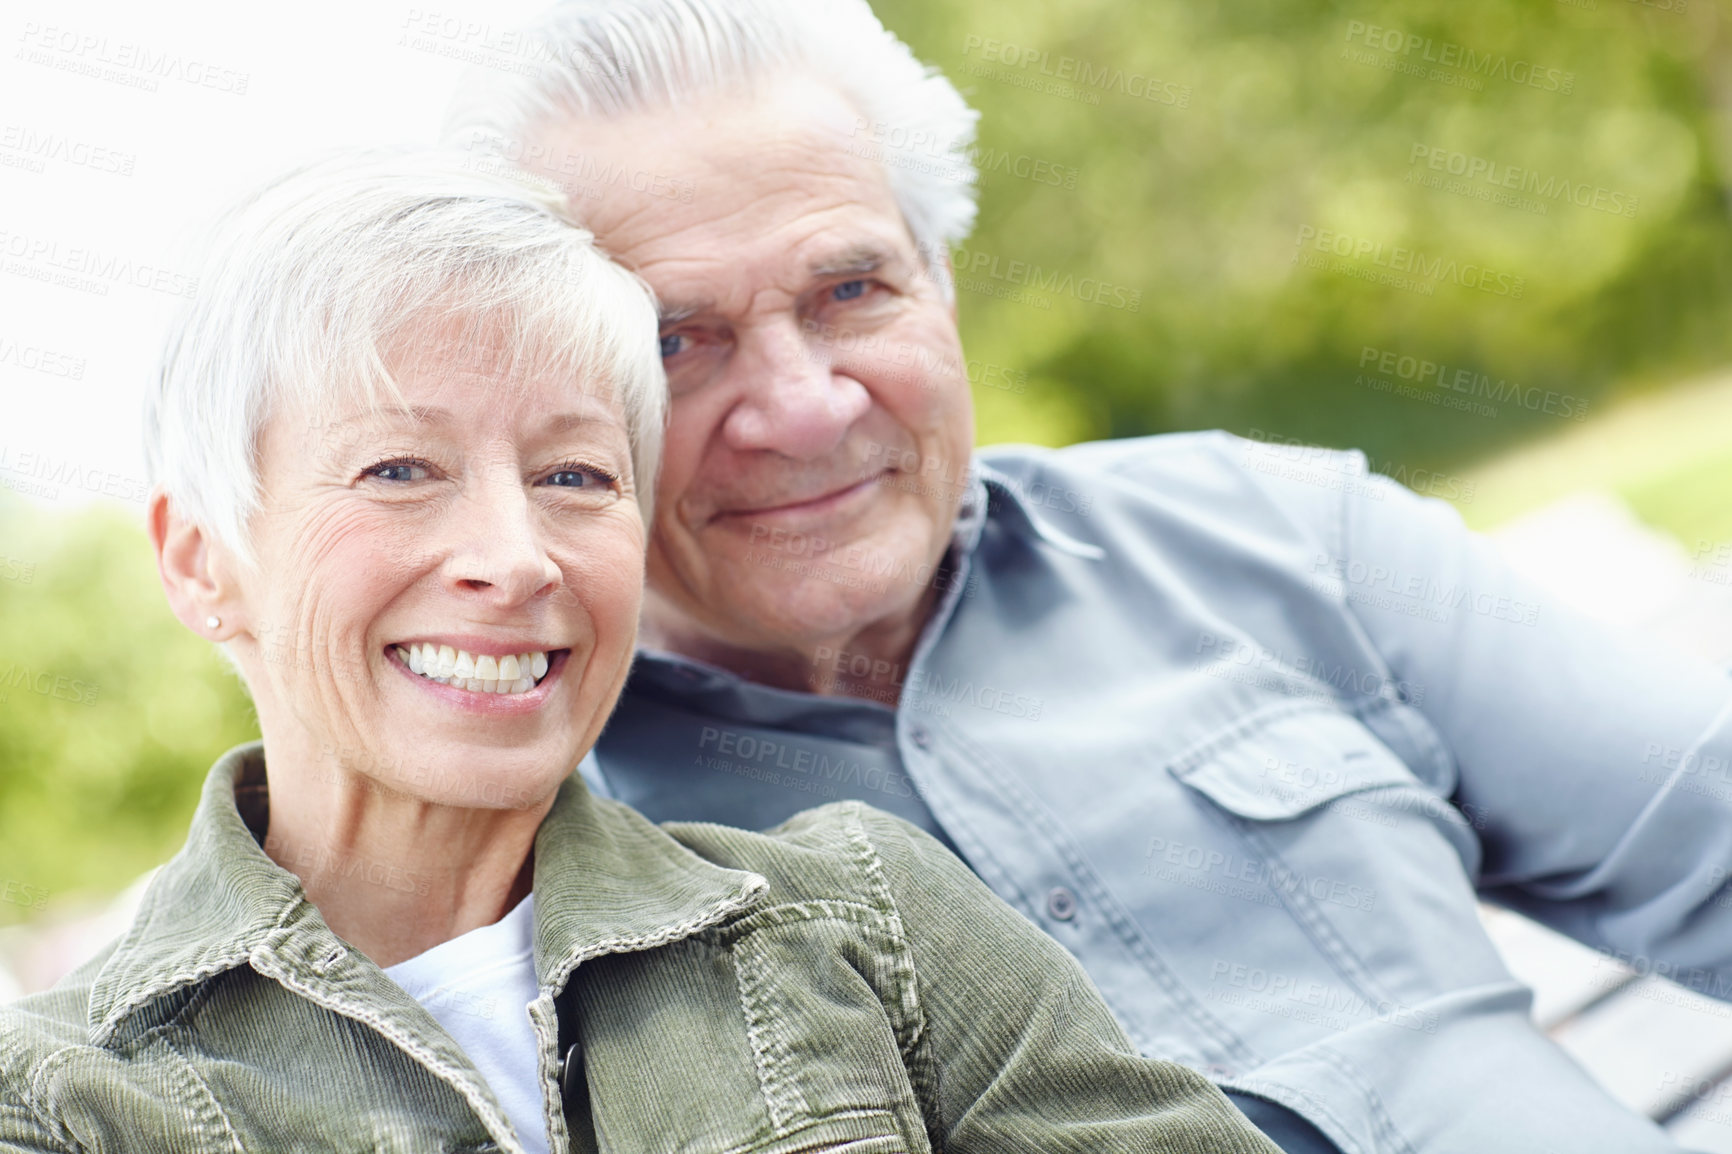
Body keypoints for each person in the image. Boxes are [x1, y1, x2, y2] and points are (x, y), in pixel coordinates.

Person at [443, 3, 1732, 1152]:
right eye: (675, 341)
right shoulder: (532, 865)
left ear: (940, 281)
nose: (803, 406)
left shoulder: (1272, 533)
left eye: (851, 289)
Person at [0, 152, 1282, 1154]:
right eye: (399, 469)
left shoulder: (864, 923)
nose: (515, 556)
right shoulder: (67, 1102)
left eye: (575, 474)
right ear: (200, 560)